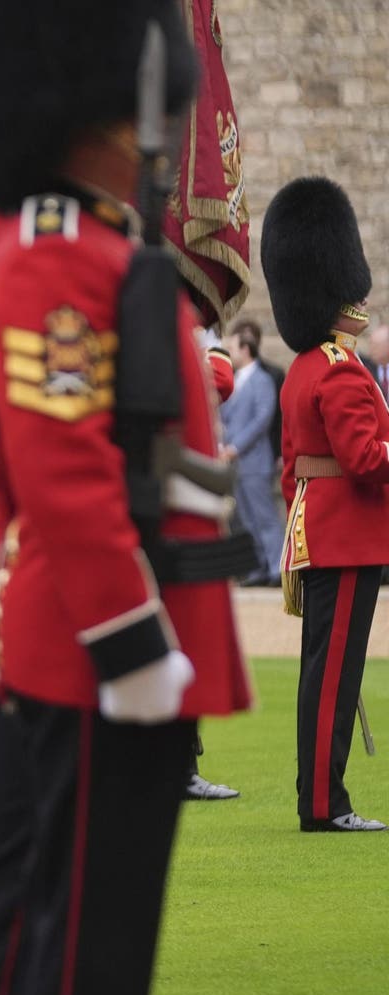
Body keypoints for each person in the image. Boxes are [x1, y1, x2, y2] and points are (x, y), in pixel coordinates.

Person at [0, 0, 253, 995]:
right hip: (91, 647)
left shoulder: (97, 245)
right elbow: (61, 469)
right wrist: (131, 641)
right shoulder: (57, 254)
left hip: (121, 623)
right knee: (84, 955)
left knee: (99, 940)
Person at [267, 175, 387, 833]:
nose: (360, 297)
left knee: (328, 677)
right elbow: (367, 459)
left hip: (323, 531)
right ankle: (323, 804)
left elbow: (292, 471)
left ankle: (322, 797)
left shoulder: (306, 367)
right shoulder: (340, 368)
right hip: (347, 537)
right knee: (332, 679)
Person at [223, 322, 283, 585]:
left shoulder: (262, 380)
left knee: (264, 515)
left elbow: (262, 420)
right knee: (246, 518)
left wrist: (235, 447)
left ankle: (277, 568)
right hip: (235, 461)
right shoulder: (234, 379)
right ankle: (258, 568)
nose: (229, 353)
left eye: (233, 347)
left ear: (246, 349)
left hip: (255, 459)